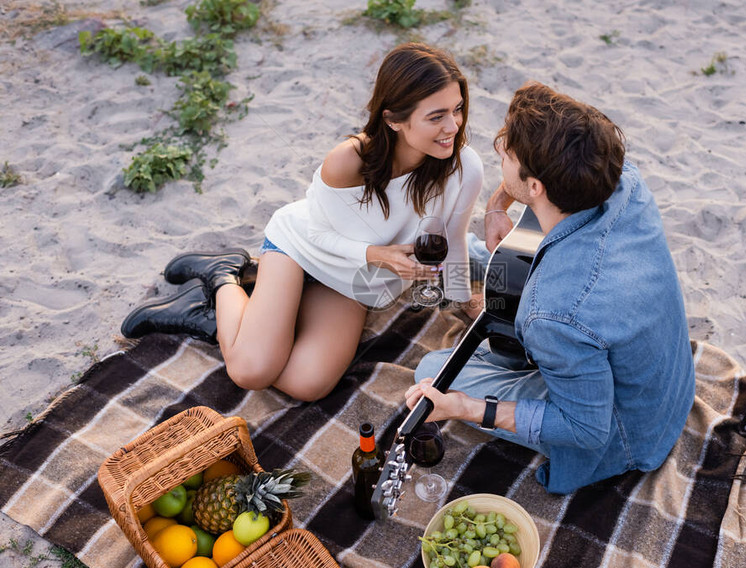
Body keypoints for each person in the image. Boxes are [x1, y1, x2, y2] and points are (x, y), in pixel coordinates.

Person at [121, 43, 483, 401]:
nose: (453, 126)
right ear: (392, 120)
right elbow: (316, 232)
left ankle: (210, 319)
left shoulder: (465, 168)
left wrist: (462, 301)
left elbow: (454, 237)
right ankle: (222, 276)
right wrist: (377, 255)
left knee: (307, 384)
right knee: (252, 371)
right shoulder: (349, 161)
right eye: (436, 117)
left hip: (350, 280)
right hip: (301, 249)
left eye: (458, 109)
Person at [406, 82, 695, 494]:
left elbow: (585, 429)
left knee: (432, 370)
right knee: (482, 255)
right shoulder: (621, 179)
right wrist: (497, 205)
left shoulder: (553, 313)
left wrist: (465, 408)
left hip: (628, 431)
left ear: (537, 186)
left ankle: (486, 318)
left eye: (505, 155)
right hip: (667, 386)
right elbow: (535, 178)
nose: (499, 151)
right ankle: (476, 298)